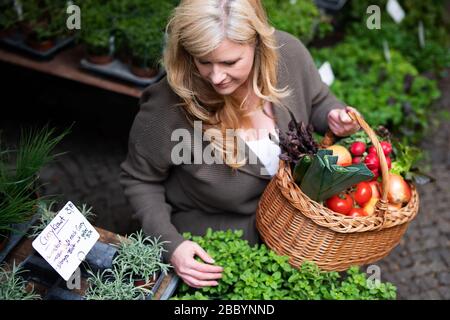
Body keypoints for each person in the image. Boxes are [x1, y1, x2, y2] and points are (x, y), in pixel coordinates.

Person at [120, 0, 361, 289]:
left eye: (230, 62)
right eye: (204, 61)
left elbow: (317, 99)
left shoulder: (289, 54)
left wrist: (333, 116)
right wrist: (173, 247)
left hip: (295, 232)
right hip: (214, 246)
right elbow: (139, 180)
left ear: (257, 43)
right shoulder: (168, 107)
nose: (216, 77)